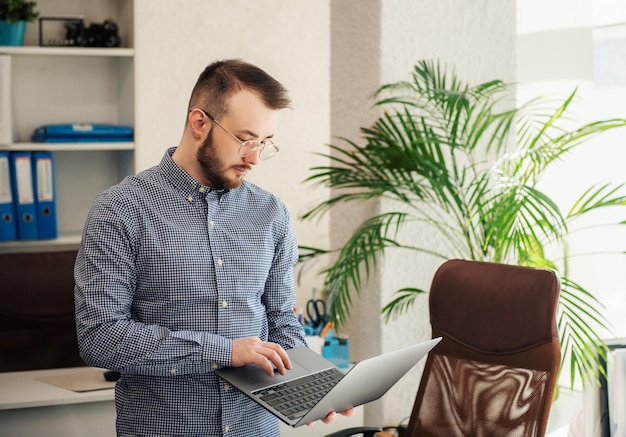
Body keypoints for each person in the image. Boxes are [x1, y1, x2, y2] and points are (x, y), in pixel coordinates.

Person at [74, 59, 352, 437]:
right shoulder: (120, 210)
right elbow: (100, 337)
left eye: (264, 144)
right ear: (200, 123)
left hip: (256, 429)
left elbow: (281, 320)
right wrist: (223, 351)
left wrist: (311, 386)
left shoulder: (272, 214)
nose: (254, 158)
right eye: (245, 139)